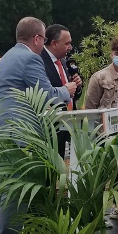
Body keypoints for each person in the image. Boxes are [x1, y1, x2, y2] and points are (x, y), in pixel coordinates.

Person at [0, 16, 72, 234]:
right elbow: (47, 95)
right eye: (43, 39)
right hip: (15, 135)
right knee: (14, 193)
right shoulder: (30, 59)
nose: (43, 44)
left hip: (1, 132)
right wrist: (67, 90)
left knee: (7, 191)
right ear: (36, 38)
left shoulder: (8, 56)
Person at [85, 37, 118, 220]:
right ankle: (97, 211)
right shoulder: (99, 77)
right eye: (117, 53)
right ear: (111, 54)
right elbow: (90, 107)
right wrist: (93, 134)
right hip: (105, 132)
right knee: (101, 172)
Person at [40, 24, 83, 157]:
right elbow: (43, 94)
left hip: (69, 123)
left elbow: (70, 95)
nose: (70, 47)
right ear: (54, 43)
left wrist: (77, 86)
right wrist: (66, 89)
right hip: (51, 127)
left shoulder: (63, 62)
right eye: (67, 43)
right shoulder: (38, 61)